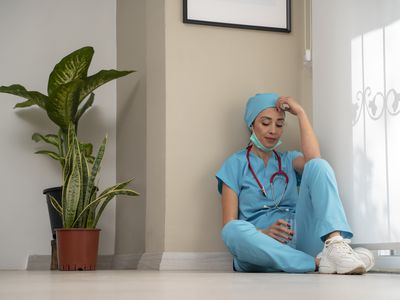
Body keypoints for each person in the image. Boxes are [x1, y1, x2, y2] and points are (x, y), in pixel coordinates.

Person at [216, 93, 374, 274]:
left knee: (318, 165)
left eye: (279, 124)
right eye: (265, 123)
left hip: (300, 238)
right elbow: (228, 222)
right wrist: (262, 233)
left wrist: (300, 113)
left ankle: (335, 244)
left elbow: (314, 160)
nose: (273, 130)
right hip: (260, 246)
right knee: (232, 230)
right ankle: (316, 262)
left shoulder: (288, 159)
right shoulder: (234, 164)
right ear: (252, 125)